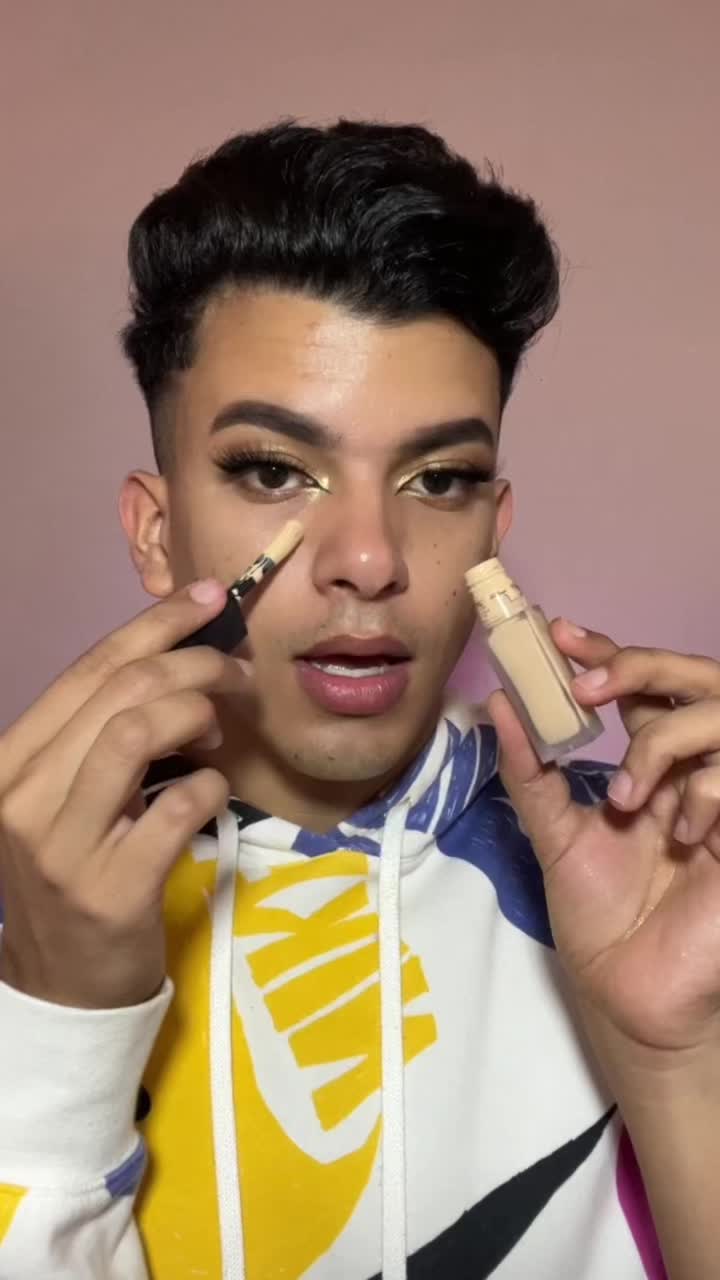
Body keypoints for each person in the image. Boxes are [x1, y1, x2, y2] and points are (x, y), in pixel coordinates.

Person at [0, 118, 717, 1280]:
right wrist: (57, 1028)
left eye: (440, 478)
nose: (371, 560)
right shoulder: (26, 913)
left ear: (493, 530)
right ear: (155, 530)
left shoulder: (661, 877)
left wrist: (683, 1061)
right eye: (273, 469)